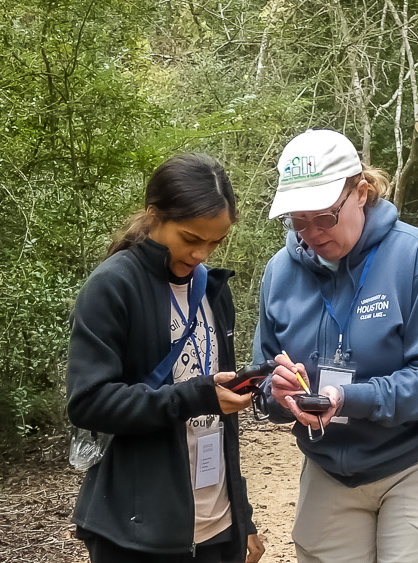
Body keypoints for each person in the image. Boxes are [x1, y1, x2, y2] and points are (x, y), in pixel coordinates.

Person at [253, 129, 418, 563]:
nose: (311, 233)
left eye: (324, 217)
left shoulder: (414, 257)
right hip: (328, 465)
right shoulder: (279, 274)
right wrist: (275, 396)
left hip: (416, 458)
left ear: (361, 193)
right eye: (298, 221)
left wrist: (349, 397)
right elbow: (262, 378)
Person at [66, 153, 264, 563]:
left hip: (216, 524)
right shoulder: (113, 287)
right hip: (139, 532)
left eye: (216, 242)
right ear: (154, 216)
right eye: (191, 239)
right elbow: (89, 402)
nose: (201, 255)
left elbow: (221, 422)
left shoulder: (212, 290)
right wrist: (195, 397)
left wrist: (242, 517)